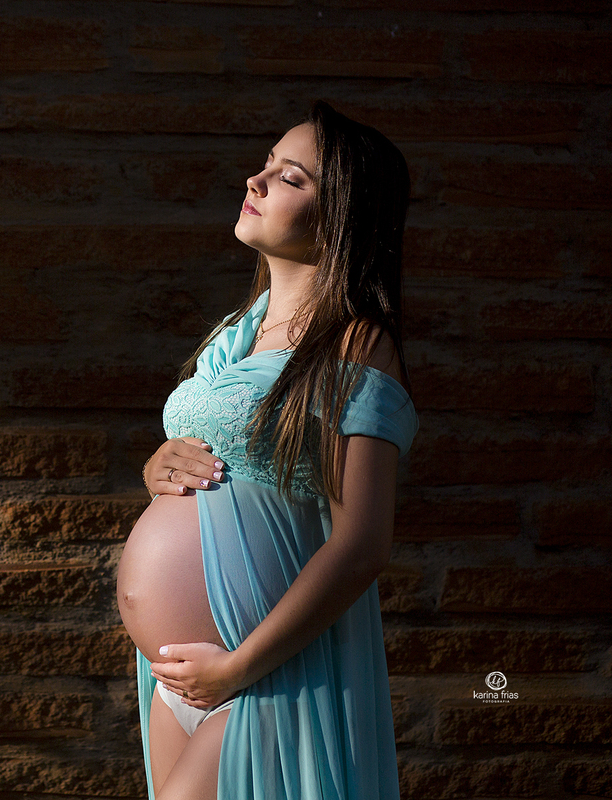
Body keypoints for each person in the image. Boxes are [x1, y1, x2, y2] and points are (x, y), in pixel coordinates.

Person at [117, 101, 417, 800]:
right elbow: (228, 460)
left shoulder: (355, 342)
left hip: (265, 674)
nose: (255, 181)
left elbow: (363, 543)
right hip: (178, 679)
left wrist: (239, 667)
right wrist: (158, 465)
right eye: (266, 165)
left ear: (341, 215)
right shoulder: (234, 335)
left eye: (290, 178)